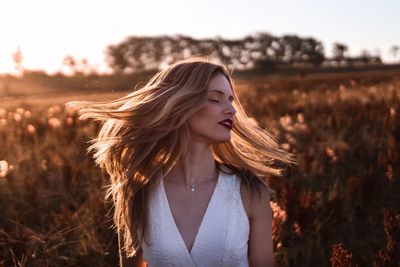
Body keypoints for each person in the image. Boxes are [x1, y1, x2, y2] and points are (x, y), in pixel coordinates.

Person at [66, 56, 295, 266]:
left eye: (230, 100)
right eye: (216, 99)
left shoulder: (250, 191)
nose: (231, 110)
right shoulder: (139, 193)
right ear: (181, 104)